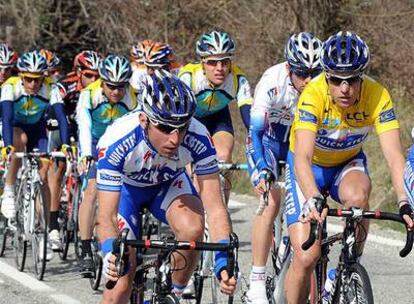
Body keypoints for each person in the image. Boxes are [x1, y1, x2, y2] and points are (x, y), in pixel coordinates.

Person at [284, 31, 414, 304]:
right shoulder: (313, 94)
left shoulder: (378, 96)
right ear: (326, 76)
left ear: (362, 77)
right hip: (309, 169)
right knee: (307, 256)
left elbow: (393, 156)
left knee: (358, 198)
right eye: (336, 80)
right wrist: (312, 197)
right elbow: (302, 158)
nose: (345, 88)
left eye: (352, 79)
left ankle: (348, 264)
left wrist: (405, 200)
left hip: (346, 163)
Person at [96, 70, 236, 303]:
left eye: (181, 128)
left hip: (167, 185)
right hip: (127, 191)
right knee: (120, 285)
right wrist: (111, 251)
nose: (175, 138)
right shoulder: (117, 140)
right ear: (144, 120)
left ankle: (174, 294)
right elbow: (105, 216)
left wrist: (223, 261)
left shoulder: (199, 136)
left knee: (193, 229)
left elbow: (215, 207)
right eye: (164, 128)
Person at [245, 32, 322, 303]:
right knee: (272, 200)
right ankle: (256, 280)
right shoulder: (271, 82)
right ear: (289, 68)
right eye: (302, 73)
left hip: (294, 146)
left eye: (316, 72)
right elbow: (255, 133)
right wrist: (263, 168)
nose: (309, 80)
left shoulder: (321, 88)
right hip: (266, 141)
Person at [0, 50, 69, 260]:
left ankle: (46, 227)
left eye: (37, 79)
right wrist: (7, 146)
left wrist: (66, 145)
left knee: (44, 173)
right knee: (19, 142)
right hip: (14, 127)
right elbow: (7, 116)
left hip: (38, 130)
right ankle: (10, 190)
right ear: (21, 76)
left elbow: (61, 118)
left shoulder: (51, 88)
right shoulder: (10, 87)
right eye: (28, 79)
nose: (32, 84)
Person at [76, 54, 136, 276]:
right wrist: (85, 154)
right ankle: (84, 248)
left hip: (120, 143)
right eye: (111, 86)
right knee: (92, 190)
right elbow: (84, 126)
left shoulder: (133, 97)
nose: (116, 92)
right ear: (102, 82)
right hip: (93, 141)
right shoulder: (88, 95)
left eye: (121, 87)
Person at [179, 30, 253, 201]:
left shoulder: (237, 79)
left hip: (219, 117)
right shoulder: (189, 77)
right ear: (202, 63)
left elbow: (249, 118)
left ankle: (223, 210)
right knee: (194, 166)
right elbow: (180, 118)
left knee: (224, 157)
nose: (220, 68)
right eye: (213, 62)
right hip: (191, 119)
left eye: (225, 62)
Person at [46, 50, 102, 251]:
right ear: (78, 72)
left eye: (97, 76)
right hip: (63, 126)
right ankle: (52, 225)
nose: (94, 79)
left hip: (86, 129)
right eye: (89, 75)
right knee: (59, 166)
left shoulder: (100, 90)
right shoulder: (64, 87)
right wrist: (65, 145)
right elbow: (61, 117)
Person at [129, 39, 181, 108]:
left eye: (154, 68)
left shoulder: (179, 71)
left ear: (167, 67)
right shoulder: (138, 75)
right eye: (147, 67)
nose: (149, 72)